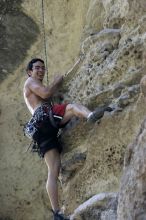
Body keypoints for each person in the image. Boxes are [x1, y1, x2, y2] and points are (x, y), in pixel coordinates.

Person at [23, 58, 113, 220]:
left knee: (53, 170)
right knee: (71, 107)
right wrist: (56, 81)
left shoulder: (35, 87)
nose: (41, 71)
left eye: (43, 68)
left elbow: (54, 86)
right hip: (44, 118)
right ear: (29, 72)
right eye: (37, 68)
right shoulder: (30, 82)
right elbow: (46, 93)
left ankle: (57, 212)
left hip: (40, 130)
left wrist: (76, 65)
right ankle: (90, 115)